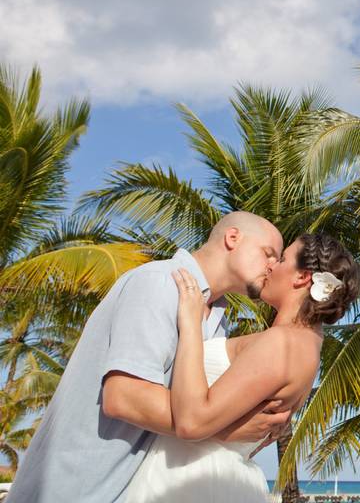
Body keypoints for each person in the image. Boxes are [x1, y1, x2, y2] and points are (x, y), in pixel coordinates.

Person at [7, 212, 290, 503]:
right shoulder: (161, 283)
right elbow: (125, 396)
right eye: (269, 254)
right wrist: (225, 427)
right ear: (233, 238)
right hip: (77, 489)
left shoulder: (217, 321)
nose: (274, 266)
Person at [122, 230, 360, 502]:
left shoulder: (283, 343)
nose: (271, 266)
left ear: (302, 277)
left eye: (282, 259)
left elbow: (191, 422)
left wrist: (190, 322)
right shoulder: (306, 344)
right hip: (210, 479)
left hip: (192, 483)